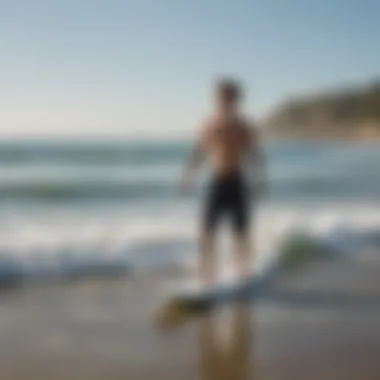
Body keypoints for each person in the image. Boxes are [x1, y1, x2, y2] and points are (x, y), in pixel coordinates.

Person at [180, 77, 267, 285]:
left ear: (235, 100)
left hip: (237, 182)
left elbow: (255, 155)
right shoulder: (210, 124)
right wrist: (188, 175)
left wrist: (260, 181)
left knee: (241, 233)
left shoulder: (244, 126)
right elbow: (199, 151)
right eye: (219, 97)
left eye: (226, 97)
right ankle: (207, 279)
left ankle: (243, 276)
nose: (222, 101)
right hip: (216, 182)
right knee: (207, 232)